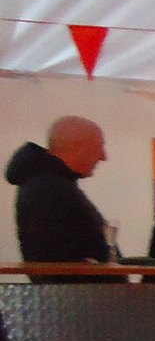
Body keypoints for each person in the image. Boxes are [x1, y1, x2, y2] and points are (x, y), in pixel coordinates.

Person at [7, 115, 112, 272]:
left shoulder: (51, 184)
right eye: (98, 147)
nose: (103, 157)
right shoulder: (48, 189)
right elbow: (55, 257)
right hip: (75, 287)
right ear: (77, 146)